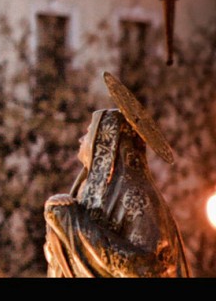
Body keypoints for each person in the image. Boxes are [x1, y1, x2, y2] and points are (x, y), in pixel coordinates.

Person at [43, 72, 191, 278]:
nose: (80, 139)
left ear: (106, 142)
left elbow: (145, 266)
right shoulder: (93, 194)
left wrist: (71, 222)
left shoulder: (138, 197)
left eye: (87, 133)